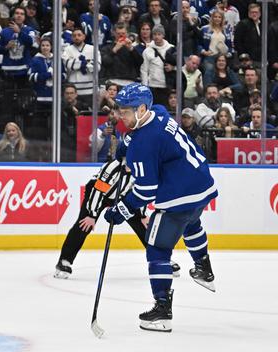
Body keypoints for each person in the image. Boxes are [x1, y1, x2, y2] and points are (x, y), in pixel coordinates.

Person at [104, 83, 217, 332]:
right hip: (201, 185)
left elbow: (146, 190)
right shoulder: (159, 113)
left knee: (157, 249)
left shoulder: (143, 144)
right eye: (120, 110)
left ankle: (162, 310)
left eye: (126, 111)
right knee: (192, 223)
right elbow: (153, 119)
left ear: (142, 109)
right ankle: (203, 267)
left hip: (178, 195)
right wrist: (128, 141)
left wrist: (120, 211)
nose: (120, 115)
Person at [53, 145, 181, 280]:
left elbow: (143, 192)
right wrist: (92, 215)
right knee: (84, 225)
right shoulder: (112, 167)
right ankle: (64, 261)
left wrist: (142, 215)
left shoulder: (143, 168)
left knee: (144, 227)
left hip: (124, 197)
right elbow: (98, 191)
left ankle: (162, 260)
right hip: (100, 195)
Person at [62, 28, 100, 102]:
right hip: (73, 91)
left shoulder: (93, 49)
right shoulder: (67, 49)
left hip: (91, 89)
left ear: (84, 36)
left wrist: (76, 63)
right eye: (74, 36)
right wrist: (86, 62)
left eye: (79, 35)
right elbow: (68, 64)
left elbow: (97, 67)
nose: (76, 37)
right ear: (71, 38)